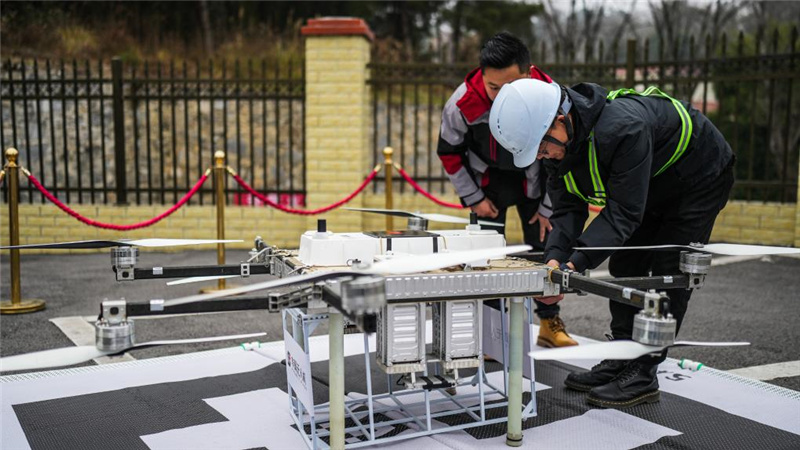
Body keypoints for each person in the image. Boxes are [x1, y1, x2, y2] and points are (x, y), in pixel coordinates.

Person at [488, 79, 735, 408]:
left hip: (698, 178)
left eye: (544, 148)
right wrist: (555, 260)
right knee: (625, 264)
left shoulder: (623, 129)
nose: (544, 156)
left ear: (560, 121)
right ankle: (622, 355)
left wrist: (576, 262)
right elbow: (566, 209)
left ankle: (644, 372)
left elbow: (623, 213)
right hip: (654, 181)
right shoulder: (561, 145)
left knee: (665, 271)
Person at [437, 31, 577, 348]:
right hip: (488, 186)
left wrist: (548, 207)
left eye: (511, 87)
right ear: (481, 76)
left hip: (537, 181)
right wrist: (474, 199)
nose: (501, 96)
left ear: (529, 74)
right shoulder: (461, 103)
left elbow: (562, 158)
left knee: (546, 253)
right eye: (494, 87)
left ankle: (549, 323)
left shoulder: (549, 96)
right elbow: (448, 153)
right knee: (486, 261)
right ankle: (491, 337)